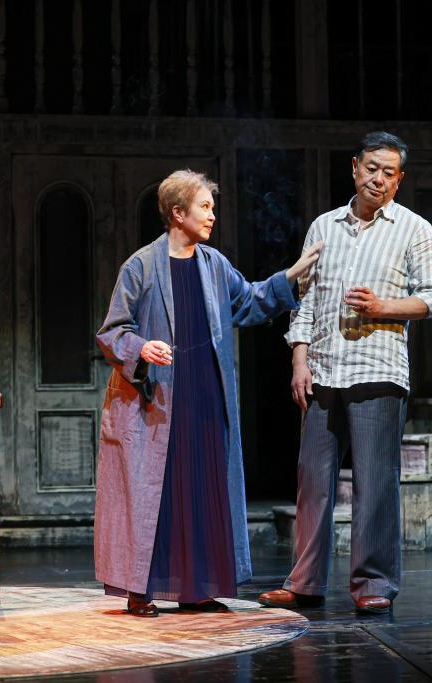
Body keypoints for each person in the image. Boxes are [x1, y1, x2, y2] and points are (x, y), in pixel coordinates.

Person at [95, 169, 323, 617]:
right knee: (155, 495)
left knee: (200, 489)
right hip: (158, 399)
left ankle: (196, 588)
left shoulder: (214, 264)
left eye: (212, 207)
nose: (212, 215)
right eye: (204, 207)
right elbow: (112, 331)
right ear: (177, 213)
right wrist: (141, 347)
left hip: (204, 394)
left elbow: (250, 301)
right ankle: (140, 590)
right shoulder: (141, 266)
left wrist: (292, 275)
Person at [258, 132, 432, 615]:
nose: (378, 179)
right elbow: (305, 300)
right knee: (312, 481)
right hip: (323, 371)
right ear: (355, 167)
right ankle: (305, 581)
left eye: (389, 173)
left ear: (399, 180)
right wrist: (299, 359)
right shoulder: (324, 227)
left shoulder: (414, 229)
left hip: (377, 371)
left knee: (374, 483)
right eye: (372, 168)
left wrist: (384, 306)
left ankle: (373, 583)